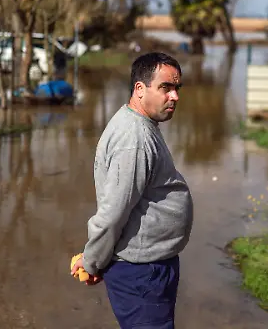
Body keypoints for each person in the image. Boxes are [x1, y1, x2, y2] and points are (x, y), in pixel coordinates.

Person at [71, 52, 194, 329]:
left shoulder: (141, 124)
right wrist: (92, 261)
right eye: (166, 87)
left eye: (177, 88)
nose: (174, 96)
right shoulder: (133, 139)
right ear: (140, 89)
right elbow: (113, 213)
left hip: (149, 265)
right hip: (141, 271)